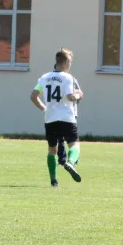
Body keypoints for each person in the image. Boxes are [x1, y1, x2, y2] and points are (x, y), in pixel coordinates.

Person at [31, 48, 83, 187]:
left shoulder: (44, 77)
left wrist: (44, 108)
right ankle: (71, 163)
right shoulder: (68, 78)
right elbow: (70, 97)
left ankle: (53, 181)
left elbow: (33, 96)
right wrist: (78, 94)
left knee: (52, 150)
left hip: (50, 118)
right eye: (70, 62)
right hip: (66, 116)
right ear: (66, 61)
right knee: (74, 144)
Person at [54, 63, 81, 167]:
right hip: (68, 113)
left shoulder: (52, 79)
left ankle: (65, 160)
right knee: (70, 139)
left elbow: (79, 94)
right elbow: (79, 94)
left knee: (63, 138)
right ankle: (70, 160)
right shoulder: (71, 79)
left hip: (61, 112)